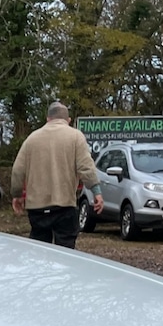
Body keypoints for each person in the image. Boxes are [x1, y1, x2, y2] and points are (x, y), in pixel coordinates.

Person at [10, 101, 103, 249]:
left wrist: (17, 195)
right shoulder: (75, 137)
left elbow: (17, 170)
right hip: (64, 206)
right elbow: (86, 167)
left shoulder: (32, 139)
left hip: (37, 208)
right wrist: (96, 191)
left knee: (39, 251)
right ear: (68, 120)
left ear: (48, 119)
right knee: (66, 252)